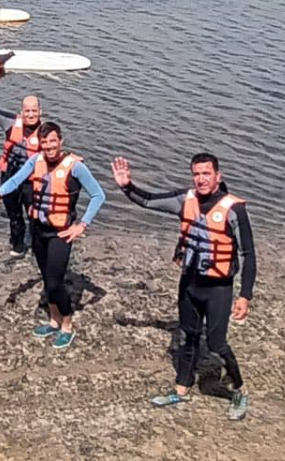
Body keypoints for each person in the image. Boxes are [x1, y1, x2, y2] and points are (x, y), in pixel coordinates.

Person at [111, 154, 254, 420]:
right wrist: (127, 186)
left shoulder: (234, 210)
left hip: (218, 288)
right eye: (196, 174)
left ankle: (239, 391)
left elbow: (248, 254)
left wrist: (245, 295)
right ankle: (181, 388)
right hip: (189, 283)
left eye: (206, 173)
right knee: (188, 337)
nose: (201, 179)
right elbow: (148, 200)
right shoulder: (183, 200)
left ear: (218, 176)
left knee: (216, 344)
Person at [0, 122, 104, 349]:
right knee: (47, 280)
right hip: (38, 230)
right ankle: (53, 320)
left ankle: (67, 325)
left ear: (61, 141)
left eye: (53, 141)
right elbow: (16, 180)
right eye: (44, 142)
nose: (49, 146)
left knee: (55, 283)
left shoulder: (76, 167)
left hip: (61, 234)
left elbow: (98, 195)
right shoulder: (35, 161)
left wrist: (82, 225)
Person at [0, 71, 42, 258]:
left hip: (31, 182)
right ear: (22, 112)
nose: (30, 114)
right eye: (27, 111)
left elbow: (56, 155)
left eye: (34, 111)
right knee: (14, 215)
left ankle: (39, 247)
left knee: (34, 215)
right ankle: (18, 246)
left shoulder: (46, 132)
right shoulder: (11, 123)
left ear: (40, 112)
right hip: (9, 176)